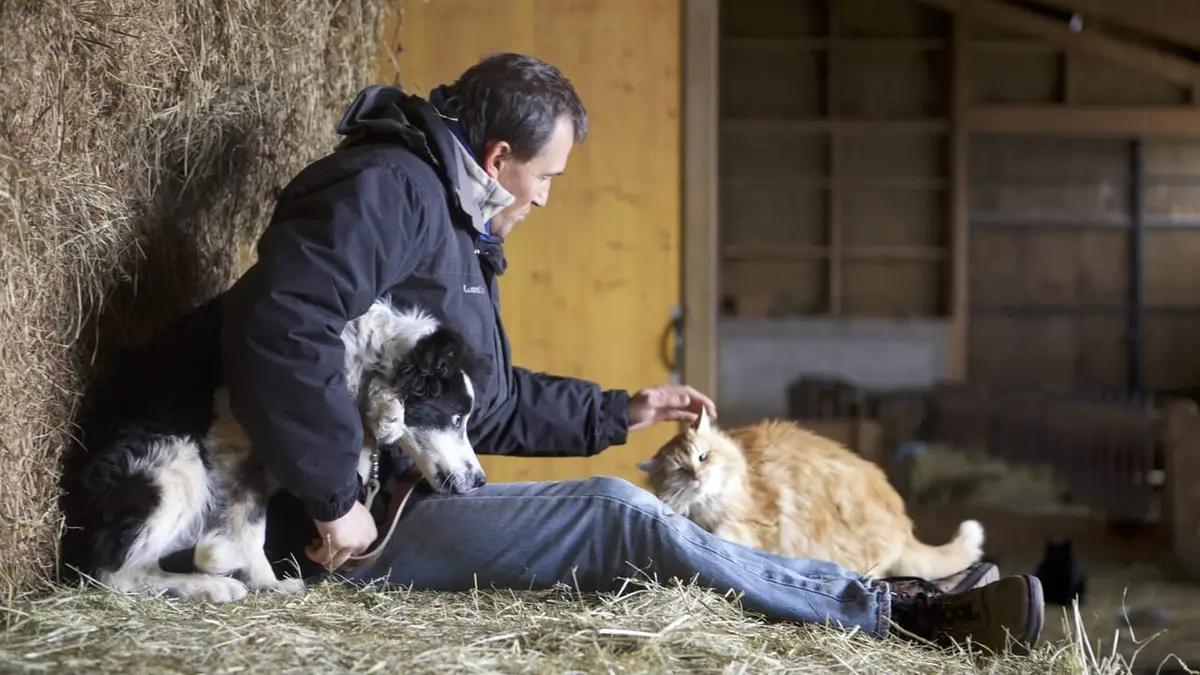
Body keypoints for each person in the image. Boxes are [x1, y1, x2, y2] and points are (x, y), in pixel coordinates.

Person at [218, 52, 1046, 655]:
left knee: (618, 520)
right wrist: (332, 496)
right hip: (335, 531)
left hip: (399, 500)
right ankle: (897, 613)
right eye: (549, 177)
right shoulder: (392, 190)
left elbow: (483, 403)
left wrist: (621, 410)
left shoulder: (454, 225)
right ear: (500, 160)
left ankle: (891, 598)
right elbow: (280, 323)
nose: (546, 197)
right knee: (615, 513)